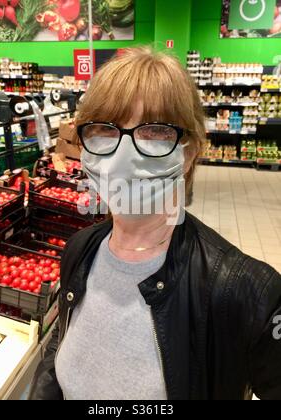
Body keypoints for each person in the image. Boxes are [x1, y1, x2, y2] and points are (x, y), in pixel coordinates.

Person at [29, 47, 281, 400]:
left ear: (190, 150)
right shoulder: (80, 250)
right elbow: (60, 351)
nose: (122, 154)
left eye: (154, 132)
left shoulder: (247, 290)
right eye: (104, 128)